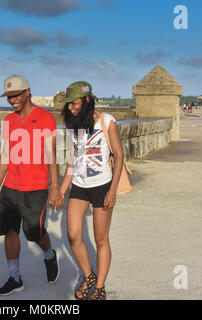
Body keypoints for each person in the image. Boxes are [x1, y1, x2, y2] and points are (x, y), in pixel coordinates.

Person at [0, 74, 64, 296]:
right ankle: (15, 277)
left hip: (36, 187)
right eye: (9, 97)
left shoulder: (44, 118)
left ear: (28, 92)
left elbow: (51, 157)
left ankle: (49, 255)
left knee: (34, 232)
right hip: (11, 186)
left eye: (16, 95)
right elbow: (5, 155)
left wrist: (55, 187)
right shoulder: (8, 121)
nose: (12, 100)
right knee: (9, 231)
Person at [59, 81, 124, 300]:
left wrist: (112, 191)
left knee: (101, 238)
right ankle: (89, 276)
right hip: (79, 185)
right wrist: (61, 190)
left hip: (102, 186)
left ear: (87, 100)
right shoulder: (74, 125)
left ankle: (100, 287)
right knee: (73, 235)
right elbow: (72, 161)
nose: (70, 108)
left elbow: (119, 155)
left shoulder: (107, 121)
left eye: (74, 103)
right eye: (68, 104)